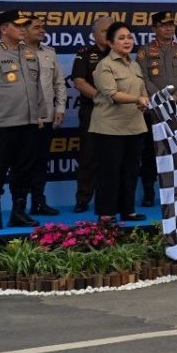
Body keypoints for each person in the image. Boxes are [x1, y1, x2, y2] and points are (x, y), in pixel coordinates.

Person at [0, 10, 44, 229]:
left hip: (29, 123)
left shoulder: (30, 53)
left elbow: (37, 87)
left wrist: (40, 115)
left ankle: (18, 213)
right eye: (18, 25)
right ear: (4, 29)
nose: (24, 29)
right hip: (3, 124)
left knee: (24, 169)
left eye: (26, 25)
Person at [90, 21, 150, 224]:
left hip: (134, 126)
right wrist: (137, 100)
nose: (127, 41)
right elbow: (112, 94)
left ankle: (128, 210)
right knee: (109, 172)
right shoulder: (104, 65)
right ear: (110, 43)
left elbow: (141, 90)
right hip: (109, 128)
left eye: (129, 37)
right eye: (121, 38)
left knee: (130, 172)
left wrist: (144, 101)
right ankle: (106, 214)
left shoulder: (134, 64)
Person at [136, 11, 177, 206]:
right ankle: (149, 192)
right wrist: (161, 98)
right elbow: (142, 78)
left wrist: (176, 96)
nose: (169, 28)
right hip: (154, 110)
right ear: (154, 29)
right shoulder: (145, 51)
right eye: (163, 25)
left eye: (171, 24)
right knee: (151, 153)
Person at [70, 15, 113, 213]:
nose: (108, 34)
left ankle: (113, 198)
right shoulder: (85, 53)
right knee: (89, 156)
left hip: (118, 111)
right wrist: (101, 98)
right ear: (94, 34)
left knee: (114, 156)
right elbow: (79, 82)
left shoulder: (121, 53)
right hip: (93, 109)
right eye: (104, 31)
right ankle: (83, 198)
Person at [24, 16, 65, 216]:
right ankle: (19, 206)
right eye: (37, 27)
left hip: (47, 116)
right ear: (24, 30)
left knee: (41, 162)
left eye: (44, 27)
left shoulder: (50, 52)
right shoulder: (15, 52)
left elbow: (59, 83)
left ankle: (38, 202)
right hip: (22, 118)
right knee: (23, 163)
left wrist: (60, 108)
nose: (42, 30)